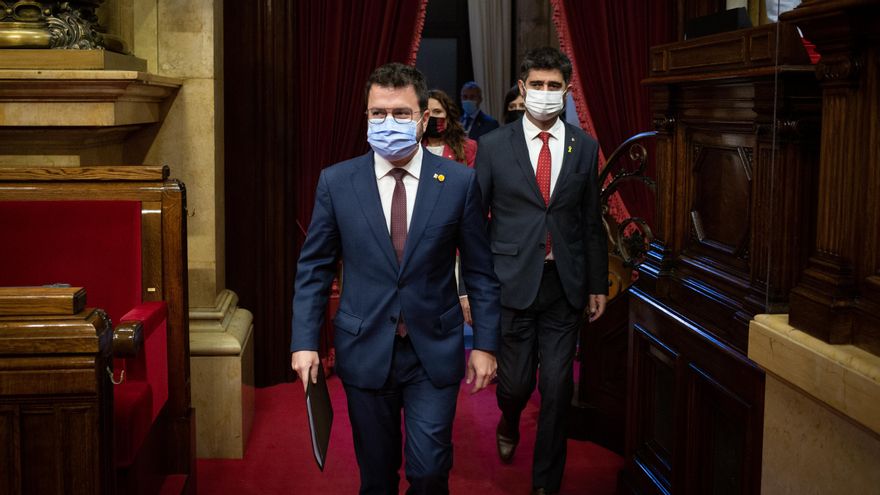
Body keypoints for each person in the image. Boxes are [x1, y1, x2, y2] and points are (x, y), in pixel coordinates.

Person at [291, 62, 501, 495]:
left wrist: (485, 345)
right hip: (365, 347)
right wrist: (305, 342)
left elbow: (480, 271)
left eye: (401, 113)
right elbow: (313, 269)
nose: (388, 123)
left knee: (428, 472)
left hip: (434, 349)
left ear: (424, 119)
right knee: (377, 476)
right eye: (377, 113)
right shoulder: (337, 182)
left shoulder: (459, 183)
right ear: (366, 117)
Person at [474, 47, 608, 495]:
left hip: (563, 286)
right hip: (510, 283)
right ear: (523, 86)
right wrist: (468, 287)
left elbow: (590, 220)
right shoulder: (493, 146)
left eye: (555, 86)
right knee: (514, 385)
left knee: (555, 390)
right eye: (538, 85)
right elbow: (475, 222)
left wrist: (597, 283)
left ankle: (545, 484)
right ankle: (508, 418)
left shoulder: (585, 147)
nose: (546, 93)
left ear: (567, 90)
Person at [424, 89, 478, 167]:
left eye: (437, 111)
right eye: (427, 113)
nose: (431, 116)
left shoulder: (467, 147)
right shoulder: (413, 148)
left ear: (448, 117)